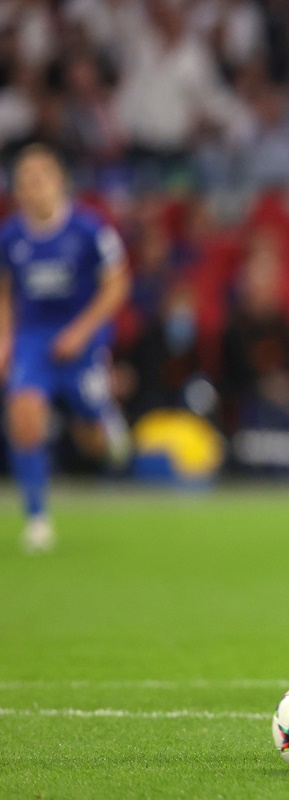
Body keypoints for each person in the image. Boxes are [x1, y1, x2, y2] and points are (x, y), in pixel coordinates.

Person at [0, 143, 131, 553]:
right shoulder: (10, 237)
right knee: (23, 413)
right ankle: (37, 518)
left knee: (93, 441)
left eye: (39, 177)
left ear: (60, 181)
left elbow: (117, 284)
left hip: (82, 340)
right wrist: (4, 340)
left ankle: (105, 422)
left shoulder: (89, 230)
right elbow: (4, 293)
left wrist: (82, 331)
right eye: (24, 180)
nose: (31, 187)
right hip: (34, 340)